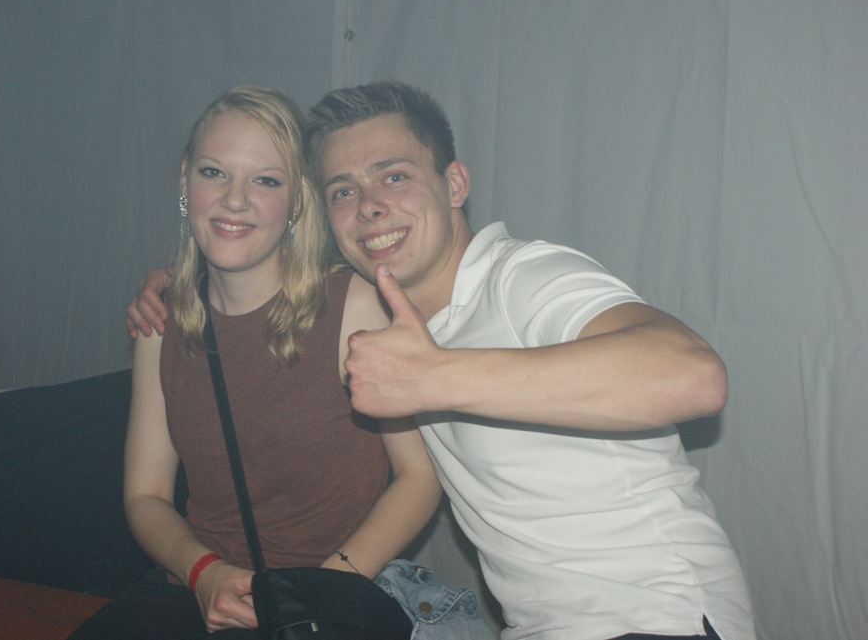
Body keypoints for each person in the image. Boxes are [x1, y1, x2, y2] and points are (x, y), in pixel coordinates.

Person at [129, 81, 756, 640]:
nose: (369, 205)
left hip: (655, 615)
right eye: (344, 190)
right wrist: (175, 284)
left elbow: (694, 376)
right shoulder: (398, 324)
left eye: (393, 176)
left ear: (454, 184)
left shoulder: (522, 278)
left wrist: (433, 377)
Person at [72, 86, 446, 640]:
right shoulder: (162, 321)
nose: (234, 200)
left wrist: (324, 589)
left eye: (266, 181)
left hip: (327, 591)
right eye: (214, 173)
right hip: (194, 590)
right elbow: (145, 494)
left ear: (298, 201)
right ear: (184, 180)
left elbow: (419, 477)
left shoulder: (355, 305)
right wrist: (202, 573)